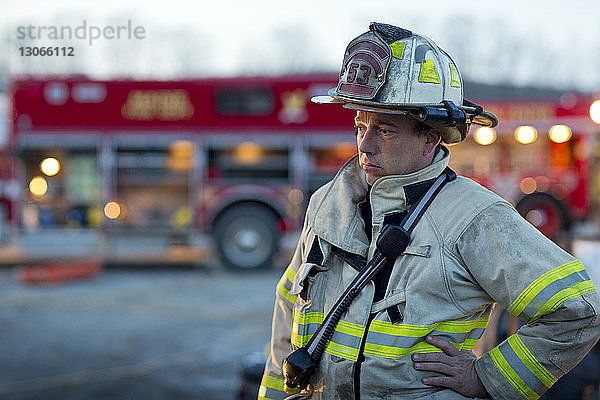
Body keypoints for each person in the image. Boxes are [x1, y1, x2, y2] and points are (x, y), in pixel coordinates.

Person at [258, 23, 600, 400]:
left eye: (385, 130)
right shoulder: (327, 204)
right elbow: (288, 311)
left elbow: (578, 311)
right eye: (360, 125)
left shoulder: (475, 217)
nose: (365, 145)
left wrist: (489, 378)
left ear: (430, 138)